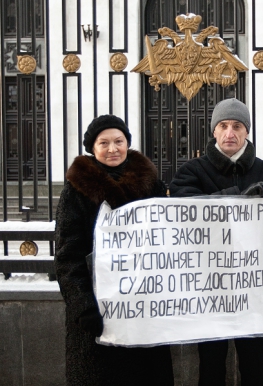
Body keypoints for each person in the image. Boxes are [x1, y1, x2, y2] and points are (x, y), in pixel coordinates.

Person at [169, 98, 263, 386]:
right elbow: (183, 209)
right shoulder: (192, 171)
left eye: (237, 126)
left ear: (246, 131)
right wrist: (237, 196)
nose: (230, 133)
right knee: (210, 365)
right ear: (213, 131)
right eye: (223, 126)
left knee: (254, 366)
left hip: (253, 289)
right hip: (208, 289)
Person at [54, 114, 174, 385]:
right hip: (98, 314)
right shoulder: (75, 191)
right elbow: (67, 255)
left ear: (127, 143)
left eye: (119, 141)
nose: (112, 149)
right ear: (92, 148)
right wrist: (84, 306)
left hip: (144, 311)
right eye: (103, 143)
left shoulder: (151, 185)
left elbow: (173, 231)